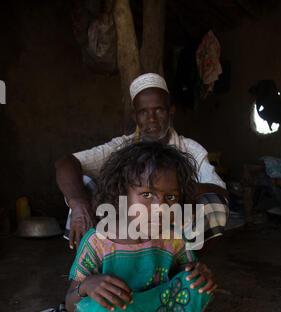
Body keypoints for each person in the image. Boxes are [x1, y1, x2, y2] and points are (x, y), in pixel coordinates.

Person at [63, 141, 218, 312]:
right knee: (98, 307)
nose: (160, 207)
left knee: (196, 286)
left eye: (170, 197)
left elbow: (187, 278)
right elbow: (72, 305)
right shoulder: (99, 242)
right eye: (147, 194)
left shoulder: (173, 238)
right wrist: (86, 286)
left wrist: (200, 276)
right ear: (122, 193)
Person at [55, 73, 228, 252]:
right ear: (135, 117)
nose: (151, 119)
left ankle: (184, 263)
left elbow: (221, 191)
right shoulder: (121, 146)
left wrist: (183, 191)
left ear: (171, 112)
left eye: (159, 110)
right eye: (143, 112)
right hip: (126, 226)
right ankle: (96, 261)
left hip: (172, 222)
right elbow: (66, 163)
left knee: (215, 204)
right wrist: (78, 203)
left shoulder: (190, 149)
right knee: (83, 184)